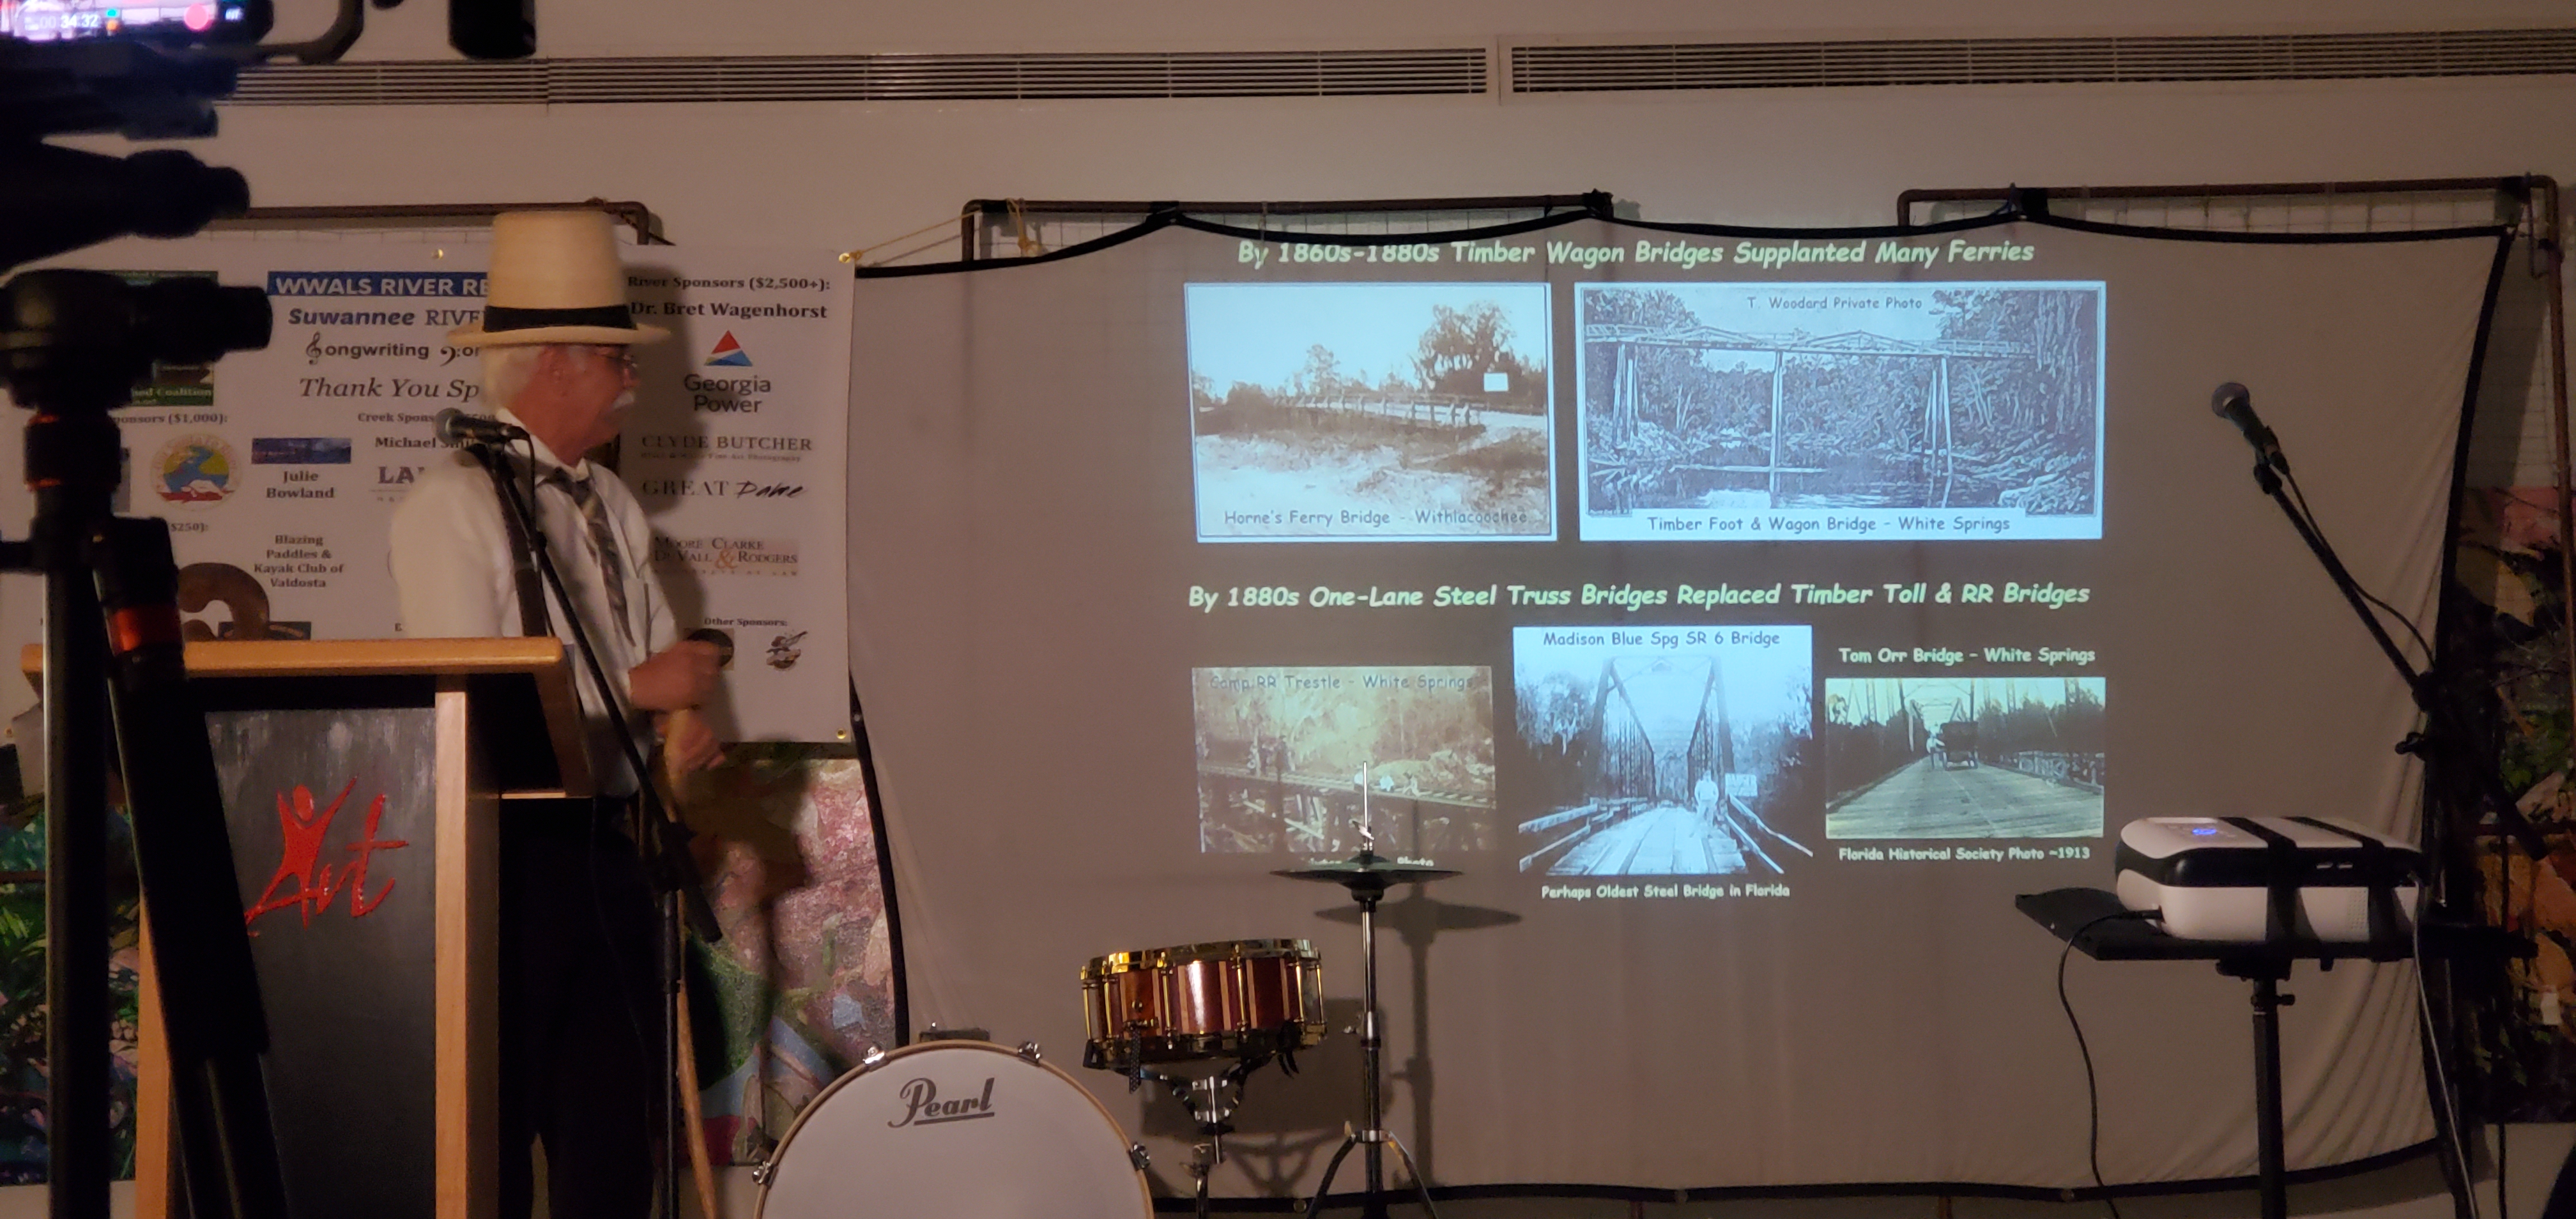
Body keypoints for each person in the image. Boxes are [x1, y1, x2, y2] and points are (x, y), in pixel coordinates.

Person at [389, 210, 723, 1219]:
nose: (632, 380)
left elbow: (661, 651)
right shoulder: (450, 503)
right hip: (501, 863)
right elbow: (471, 698)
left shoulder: (613, 505)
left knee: (613, 1139)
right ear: (560, 364)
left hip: (609, 855)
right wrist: (638, 693)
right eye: (618, 359)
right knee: (491, 1131)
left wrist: (676, 724)